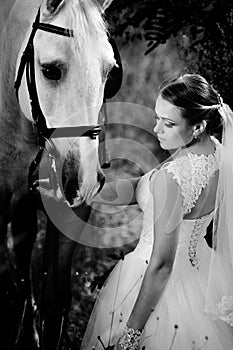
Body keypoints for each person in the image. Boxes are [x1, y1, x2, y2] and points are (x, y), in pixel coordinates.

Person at [81, 74, 233, 350]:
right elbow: (142, 187)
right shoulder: (221, 156)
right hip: (204, 276)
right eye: (158, 118)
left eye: (169, 123)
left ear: (198, 126)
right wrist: (87, 189)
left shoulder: (171, 179)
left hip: (153, 283)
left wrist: (131, 335)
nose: (157, 129)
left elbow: (162, 265)